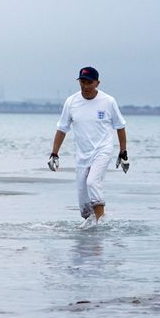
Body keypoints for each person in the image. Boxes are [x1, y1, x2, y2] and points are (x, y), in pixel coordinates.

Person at [48, 66, 129, 227]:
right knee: (85, 207)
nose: (85, 86)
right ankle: (91, 238)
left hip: (103, 150)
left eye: (89, 82)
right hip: (82, 156)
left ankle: (102, 225)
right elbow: (62, 128)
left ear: (97, 83)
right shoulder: (71, 102)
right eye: (82, 82)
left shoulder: (108, 101)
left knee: (93, 182)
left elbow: (120, 126)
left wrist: (123, 152)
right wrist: (54, 153)